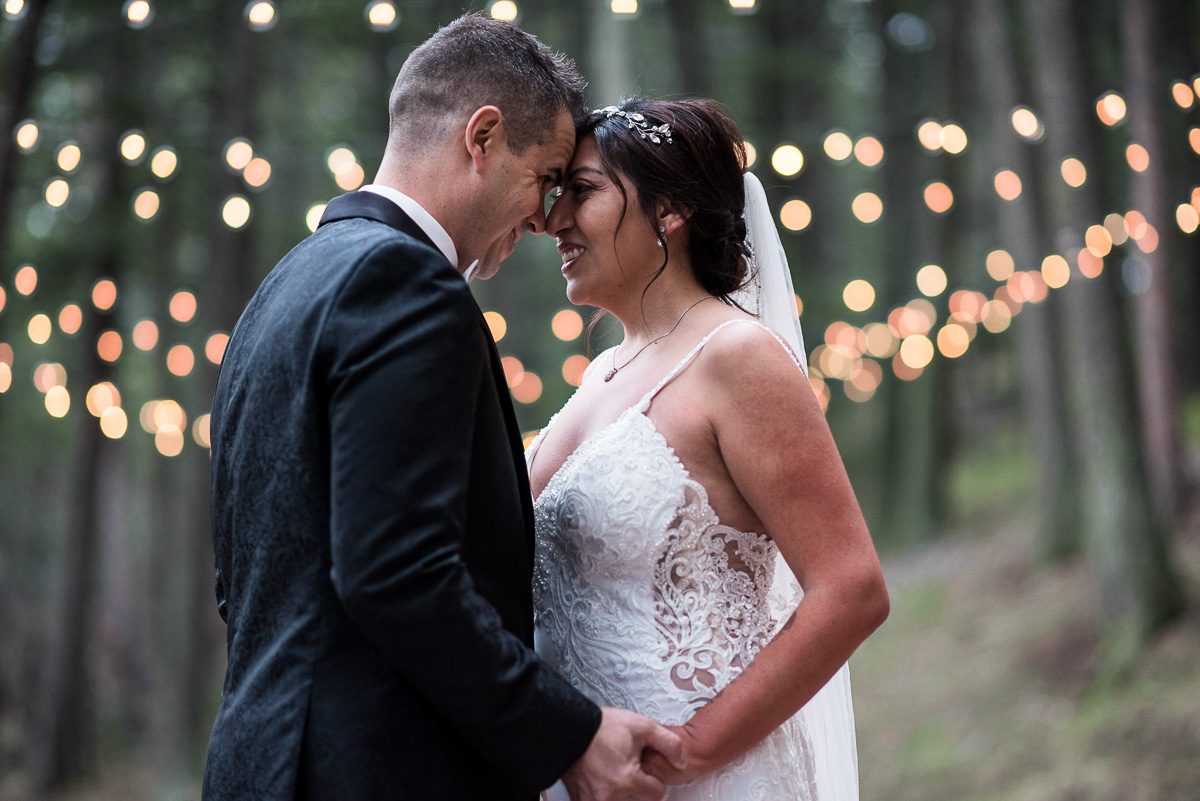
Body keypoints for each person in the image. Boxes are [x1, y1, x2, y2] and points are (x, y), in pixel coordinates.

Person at [203, 17, 683, 801]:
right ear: (482, 138)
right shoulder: (408, 286)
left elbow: (244, 583)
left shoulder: (282, 287)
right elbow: (396, 570)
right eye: (545, 176)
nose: (543, 218)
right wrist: (567, 733)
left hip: (258, 764)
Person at [527, 97, 891, 800]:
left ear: (669, 210)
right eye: (555, 194)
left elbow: (851, 589)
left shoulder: (737, 356)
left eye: (583, 192)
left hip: (702, 777)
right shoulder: (600, 374)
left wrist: (689, 751)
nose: (553, 220)